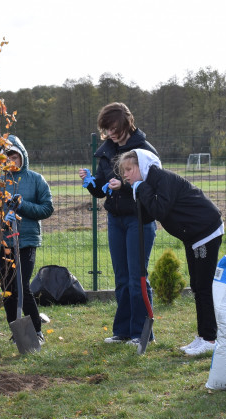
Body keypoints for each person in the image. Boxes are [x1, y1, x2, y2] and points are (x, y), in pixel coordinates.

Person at [113, 149, 224, 357]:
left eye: (129, 169)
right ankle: (203, 336)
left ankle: (210, 338)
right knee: (197, 286)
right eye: (123, 171)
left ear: (142, 166)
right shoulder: (149, 184)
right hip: (194, 235)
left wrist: (142, 188)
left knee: (203, 286)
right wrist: (138, 192)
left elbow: (159, 209)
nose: (125, 175)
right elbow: (149, 213)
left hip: (206, 230)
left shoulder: (162, 179)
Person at [77, 102, 158, 346]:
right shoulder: (106, 151)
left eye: (115, 128)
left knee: (137, 277)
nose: (111, 133)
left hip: (139, 219)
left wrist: (124, 186)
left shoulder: (144, 150)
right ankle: (122, 332)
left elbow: (154, 187)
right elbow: (101, 190)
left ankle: (142, 334)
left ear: (127, 123)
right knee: (122, 278)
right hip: (115, 219)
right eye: (107, 128)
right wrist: (91, 181)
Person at [0, 134, 53, 342]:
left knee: (22, 286)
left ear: (22, 156)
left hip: (26, 241)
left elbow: (47, 208)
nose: (10, 161)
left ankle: (36, 331)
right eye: (6, 157)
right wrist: (1, 220)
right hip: (3, 242)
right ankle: (17, 332)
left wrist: (23, 205)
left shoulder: (35, 180)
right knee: (7, 289)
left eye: (14, 156)